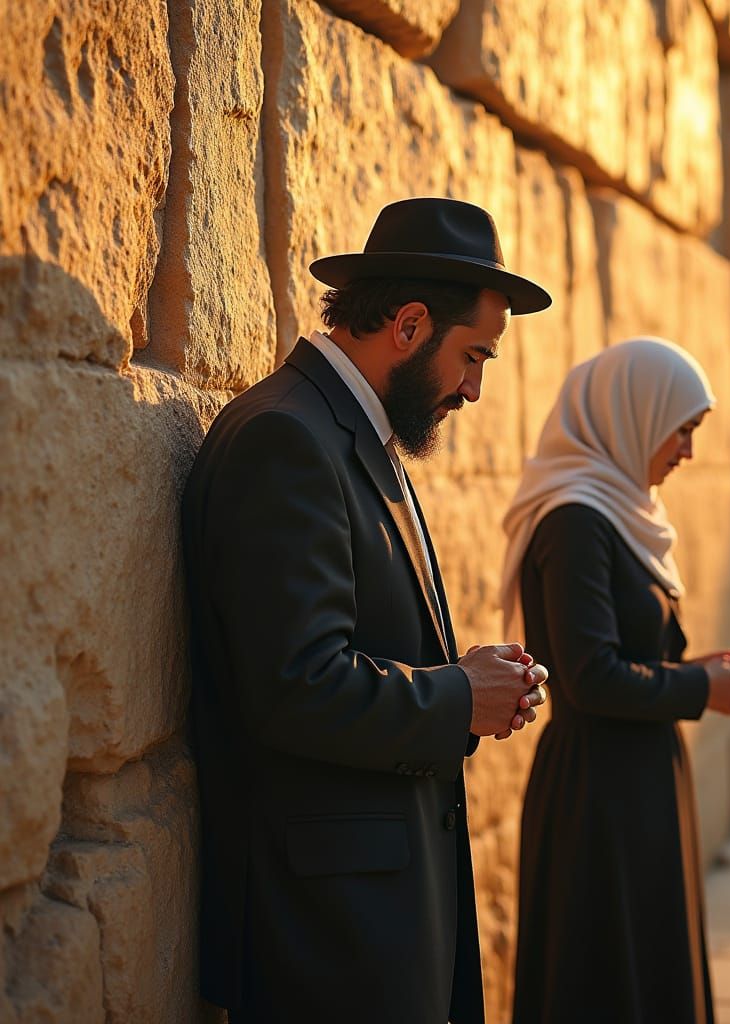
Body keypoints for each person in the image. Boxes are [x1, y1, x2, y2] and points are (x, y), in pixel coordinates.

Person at [181, 198, 553, 1024]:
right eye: (474, 356)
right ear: (410, 325)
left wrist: (470, 680)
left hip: (369, 919)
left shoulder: (345, 429)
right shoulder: (288, 439)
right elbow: (297, 686)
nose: (474, 388)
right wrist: (461, 696)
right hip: (328, 935)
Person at [501, 337, 730, 1024]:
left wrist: (693, 673)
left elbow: (621, 654)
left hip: (639, 775)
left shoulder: (619, 513)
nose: (688, 451)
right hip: (601, 793)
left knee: (649, 966)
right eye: (681, 430)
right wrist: (698, 690)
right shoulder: (575, 520)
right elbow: (590, 677)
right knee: (607, 977)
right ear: (633, 413)